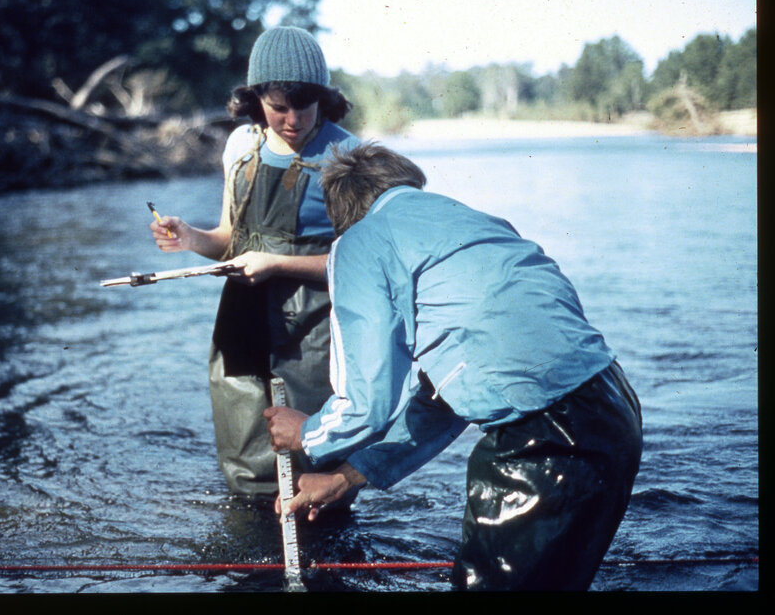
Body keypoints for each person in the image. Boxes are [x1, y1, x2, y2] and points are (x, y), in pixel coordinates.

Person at [264, 142, 643, 590]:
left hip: (543, 439)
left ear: (344, 213)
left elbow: (366, 402)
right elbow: (441, 401)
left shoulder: (360, 240)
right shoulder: (477, 223)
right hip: (615, 409)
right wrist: (346, 478)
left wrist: (307, 434)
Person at [150, 26, 361, 498]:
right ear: (255, 98)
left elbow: (361, 268)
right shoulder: (240, 146)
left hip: (319, 325)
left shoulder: (348, 155)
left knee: (317, 452)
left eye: (305, 105)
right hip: (244, 315)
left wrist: (278, 264)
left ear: (324, 99)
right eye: (278, 106)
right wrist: (190, 238)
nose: (292, 120)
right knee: (246, 456)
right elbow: (229, 240)